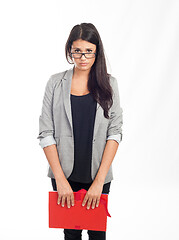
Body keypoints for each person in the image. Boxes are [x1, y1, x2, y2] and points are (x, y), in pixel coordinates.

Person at [37, 22, 123, 240]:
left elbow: (115, 133)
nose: (83, 57)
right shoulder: (55, 83)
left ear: (97, 52)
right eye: (77, 51)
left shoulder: (109, 84)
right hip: (64, 176)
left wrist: (99, 182)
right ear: (70, 51)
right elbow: (46, 132)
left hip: (98, 175)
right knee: (71, 234)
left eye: (89, 52)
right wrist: (61, 179)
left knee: (97, 235)